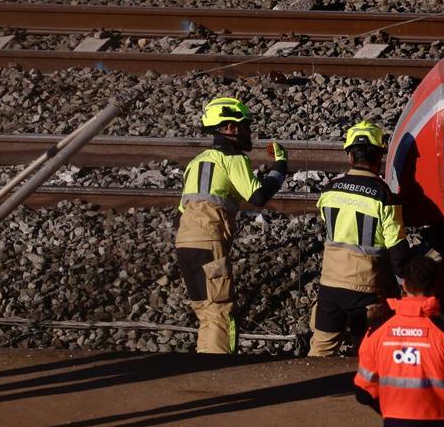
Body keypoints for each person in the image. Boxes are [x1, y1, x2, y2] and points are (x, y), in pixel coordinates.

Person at [174, 97, 287, 353]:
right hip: (209, 241)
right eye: (244, 126)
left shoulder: (196, 162)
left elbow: (180, 212)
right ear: (230, 128)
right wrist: (280, 167)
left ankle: (203, 366)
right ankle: (217, 372)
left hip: (185, 242)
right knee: (219, 313)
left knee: (205, 310)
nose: (248, 132)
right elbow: (258, 196)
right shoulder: (233, 158)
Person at [354, 256, 444, 427]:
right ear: (436, 286)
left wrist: (392, 414)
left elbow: (363, 392)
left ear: (404, 285)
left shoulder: (377, 332)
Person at [309, 121, 410, 357]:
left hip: (330, 287)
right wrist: (407, 283)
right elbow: (397, 248)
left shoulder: (329, 190)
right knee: (367, 354)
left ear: (350, 156)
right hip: (367, 289)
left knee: (320, 350)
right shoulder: (384, 195)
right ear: (379, 156)